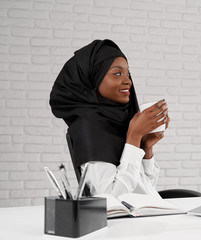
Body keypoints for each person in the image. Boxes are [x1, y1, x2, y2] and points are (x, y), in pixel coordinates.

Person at [49, 39, 169, 198]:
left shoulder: (118, 122)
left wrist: (146, 148)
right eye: (117, 73)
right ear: (92, 79)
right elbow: (112, 200)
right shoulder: (89, 127)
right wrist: (134, 136)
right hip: (128, 221)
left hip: (147, 216)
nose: (128, 81)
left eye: (128, 73)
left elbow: (145, 191)